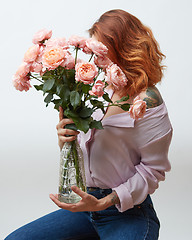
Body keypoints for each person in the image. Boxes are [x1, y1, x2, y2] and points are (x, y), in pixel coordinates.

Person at [5, 9, 173, 240]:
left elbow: (153, 170)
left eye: (101, 50)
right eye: (93, 50)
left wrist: (105, 201)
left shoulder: (147, 101)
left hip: (128, 213)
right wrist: (64, 139)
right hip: (85, 208)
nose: (95, 58)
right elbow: (88, 148)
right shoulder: (97, 91)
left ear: (124, 48)